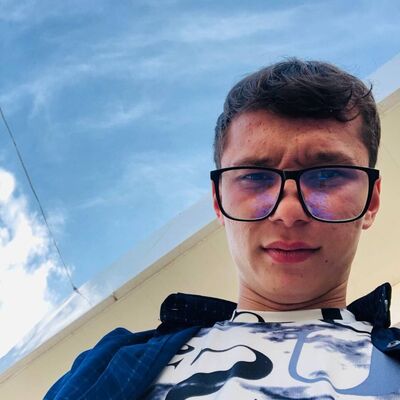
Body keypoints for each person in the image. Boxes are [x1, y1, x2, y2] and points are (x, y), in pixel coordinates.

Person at [44, 59, 400, 400]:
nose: (288, 212)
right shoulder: (104, 366)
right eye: (255, 177)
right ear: (218, 201)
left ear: (371, 201)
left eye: (327, 175)